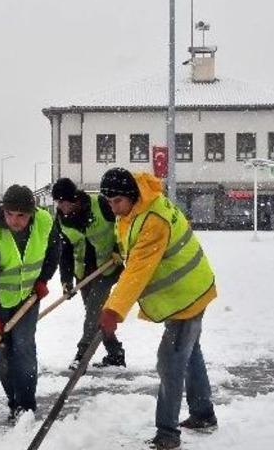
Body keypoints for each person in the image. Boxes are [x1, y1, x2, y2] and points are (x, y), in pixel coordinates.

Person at [96, 168, 218, 450]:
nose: (113, 209)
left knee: (170, 360)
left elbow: (139, 269)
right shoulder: (137, 207)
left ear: (130, 196)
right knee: (189, 354)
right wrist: (121, 254)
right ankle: (203, 414)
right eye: (108, 202)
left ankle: (167, 433)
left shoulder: (153, 219)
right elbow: (134, 248)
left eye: (117, 202)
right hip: (187, 290)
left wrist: (113, 310)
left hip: (186, 295)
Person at [0, 185, 60, 420]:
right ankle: (13, 401)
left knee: (23, 348)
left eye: (21, 215)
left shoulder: (44, 222)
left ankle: (26, 406)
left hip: (28, 298)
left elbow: (55, 249)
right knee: (2, 352)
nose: (14, 220)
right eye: (10, 214)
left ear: (31, 212)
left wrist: (43, 278)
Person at [51, 177, 126, 370]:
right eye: (57, 203)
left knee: (94, 311)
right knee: (96, 315)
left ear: (74, 199)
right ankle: (115, 353)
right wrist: (66, 280)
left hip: (108, 266)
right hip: (83, 272)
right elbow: (65, 252)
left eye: (63, 202)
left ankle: (82, 355)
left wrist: (120, 248)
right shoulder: (61, 220)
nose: (61, 207)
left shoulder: (100, 204)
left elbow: (122, 225)